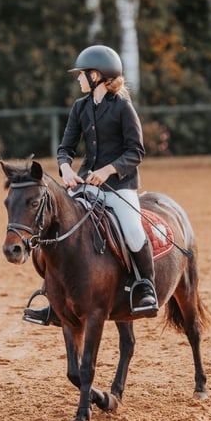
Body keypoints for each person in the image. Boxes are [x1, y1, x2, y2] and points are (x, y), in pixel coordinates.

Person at [23, 45, 158, 326]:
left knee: (133, 231)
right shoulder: (80, 107)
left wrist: (108, 170)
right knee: (57, 229)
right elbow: (65, 147)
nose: (78, 79)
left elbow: (136, 151)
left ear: (96, 75)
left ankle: (146, 287)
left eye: (81, 74)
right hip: (86, 184)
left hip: (120, 186)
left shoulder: (122, 106)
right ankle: (54, 298)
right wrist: (65, 169)